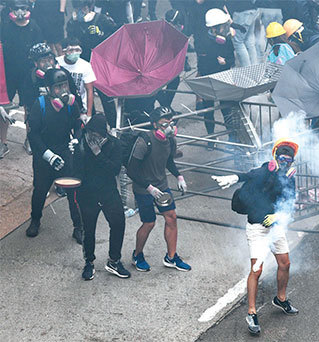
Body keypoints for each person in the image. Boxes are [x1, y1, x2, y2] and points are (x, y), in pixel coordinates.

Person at [212, 138, 300, 335]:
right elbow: (246, 175)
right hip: (257, 229)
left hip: (276, 228)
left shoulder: (290, 178)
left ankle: (281, 298)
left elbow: (290, 202)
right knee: (256, 269)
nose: (286, 163)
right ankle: (252, 312)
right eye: (283, 159)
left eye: (289, 161)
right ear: (276, 158)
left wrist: (279, 216)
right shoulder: (263, 172)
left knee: (285, 264)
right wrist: (233, 178)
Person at [127, 106, 190, 272]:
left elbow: (168, 160)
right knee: (149, 223)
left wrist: (179, 176)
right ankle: (137, 255)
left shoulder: (170, 141)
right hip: (143, 189)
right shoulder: (144, 141)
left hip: (162, 187)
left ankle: (171, 257)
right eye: (164, 124)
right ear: (154, 125)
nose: (168, 127)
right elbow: (131, 170)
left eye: (171, 123)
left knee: (171, 217)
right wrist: (149, 188)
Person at [26, 69, 83, 242]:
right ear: (49, 88)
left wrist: (77, 140)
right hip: (44, 155)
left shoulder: (71, 104)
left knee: (73, 191)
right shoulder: (40, 105)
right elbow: (33, 135)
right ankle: (35, 220)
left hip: (65, 151)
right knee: (40, 191)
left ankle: (78, 227)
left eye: (64, 85)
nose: (62, 90)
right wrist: (48, 155)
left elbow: (78, 124)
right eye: (58, 87)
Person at [74, 113, 130, 280]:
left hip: (108, 191)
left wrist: (99, 154)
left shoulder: (115, 145)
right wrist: (73, 152)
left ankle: (114, 260)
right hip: (87, 193)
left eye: (96, 134)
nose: (93, 137)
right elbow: (76, 168)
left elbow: (114, 170)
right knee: (88, 229)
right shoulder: (83, 142)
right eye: (90, 133)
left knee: (118, 223)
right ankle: (89, 262)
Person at [21, 43, 83, 155]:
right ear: (36, 63)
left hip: (61, 110)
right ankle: (29, 141)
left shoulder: (63, 73)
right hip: (41, 112)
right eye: (43, 61)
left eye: (50, 59)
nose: (48, 63)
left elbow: (74, 94)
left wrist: (81, 112)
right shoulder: (31, 78)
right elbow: (28, 105)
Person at [1, 0, 43, 153]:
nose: (20, 12)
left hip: (28, 75)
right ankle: (3, 142)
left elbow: (40, 52)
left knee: (30, 108)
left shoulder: (34, 28)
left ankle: (29, 139)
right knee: (4, 107)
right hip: (8, 74)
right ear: (12, 10)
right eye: (17, 9)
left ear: (28, 9)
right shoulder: (5, 27)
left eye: (23, 8)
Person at [195, 8, 237, 148]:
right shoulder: (202, 41)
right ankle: (211, 139)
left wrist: (226, 62)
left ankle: (232, 137)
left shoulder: (227, 41)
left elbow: (232, 58)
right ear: (214, 28)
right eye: (222, 26)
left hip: (224, 78)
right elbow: (201, 64)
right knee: (209, 112)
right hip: (209, 80)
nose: (225, 28)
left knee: (227, 110)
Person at [57, 38, 96, 119]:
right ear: (64, 51)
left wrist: (88, 114)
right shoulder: (57, 63)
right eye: (71, 50)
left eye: (77, 50)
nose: (74, 53)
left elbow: (89, 90)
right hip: (60, 105)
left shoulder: (85, 66)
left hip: (79, 106)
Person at [227, 0, 259, 67]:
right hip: (252, 9)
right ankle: (255, 68)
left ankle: (246, 70)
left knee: (238, 42)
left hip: (241, 12)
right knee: (249, 41)